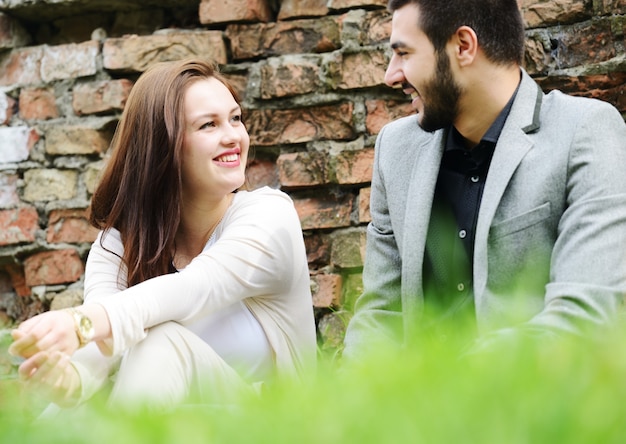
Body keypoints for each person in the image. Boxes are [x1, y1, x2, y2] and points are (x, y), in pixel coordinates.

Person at [8, 58, 317, 411]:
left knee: (160, 338)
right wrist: (68, 379)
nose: (234, 136)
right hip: (171, 426)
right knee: (66, 413)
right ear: (163, 146)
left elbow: (193, 289)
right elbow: (98, 353)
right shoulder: (118, 244)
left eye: (235, 118)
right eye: (208, 125)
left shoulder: (268, 216)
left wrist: (81, 322)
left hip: (269, 425)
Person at [343, 0, 626, 360]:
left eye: (403, 54)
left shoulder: (585, 131)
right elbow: (379, 317)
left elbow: (584, 315)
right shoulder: (395, 148)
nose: (391, 75)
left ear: (463, 46)